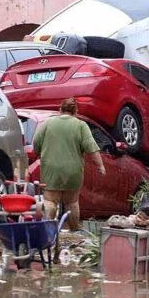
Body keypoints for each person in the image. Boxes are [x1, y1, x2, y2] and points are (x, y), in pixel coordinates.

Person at [32, 97, 105, 231]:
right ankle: (74, 232)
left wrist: (37, 153)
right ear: (75, 111)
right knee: (72, 203)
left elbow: (36, 143)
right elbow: (91, 148)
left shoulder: (48, 123)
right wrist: (100, 166)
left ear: (60, 110)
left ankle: (48, 231)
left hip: (51, 169)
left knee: (50, 201)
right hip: (73, 171)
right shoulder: (81, 125)